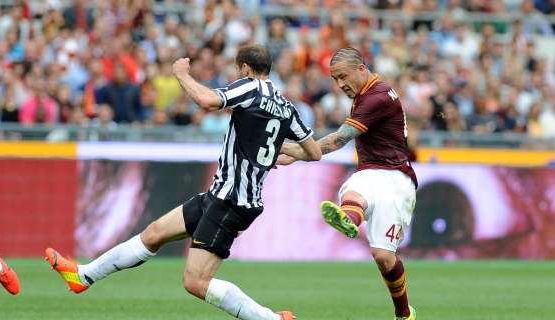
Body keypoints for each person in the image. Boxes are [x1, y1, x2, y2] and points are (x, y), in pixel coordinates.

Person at [45, 44, 321, 320]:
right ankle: (83, 276)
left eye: (239, 70)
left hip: (231, 200)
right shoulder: (287, 107)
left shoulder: (250, 87)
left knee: (196, 282)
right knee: (154, 234)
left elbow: (209, 100)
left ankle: (270, 319)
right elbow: (314, 152)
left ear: (246, 69)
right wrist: (283, 153)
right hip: (222, 194)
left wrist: (182, 75)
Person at [277, 47, 418, 320]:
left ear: (361, 69)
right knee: (354, 187)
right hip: (370, 172)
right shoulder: (368, 92)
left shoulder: (376, 97)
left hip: (397, 179)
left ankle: (404, 313)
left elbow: (337, 140)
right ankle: (350, 218)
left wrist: (294, 152)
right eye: (335, 79)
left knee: (383, 258)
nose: (340, 84)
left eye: (343, 76)